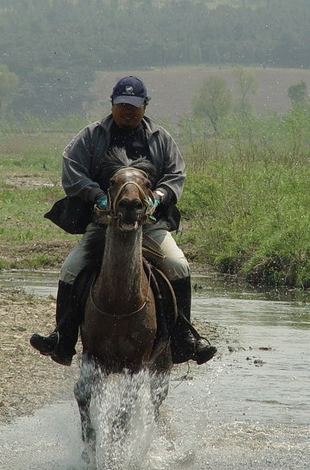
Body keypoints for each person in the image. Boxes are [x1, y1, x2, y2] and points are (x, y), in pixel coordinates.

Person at [30, 75, 217, 366]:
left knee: (179, 264)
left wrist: (160, 195)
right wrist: (96, 195)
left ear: (145, 105)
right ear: (112, 104)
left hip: (148, 224)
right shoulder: (92, 135)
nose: (128, 111)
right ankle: (62, 338)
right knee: (70, 269)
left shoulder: (160, 138)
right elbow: (72, 169)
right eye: (122, 105)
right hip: (103, 223)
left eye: (134, 105)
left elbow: (176, 174)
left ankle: (184, 337)